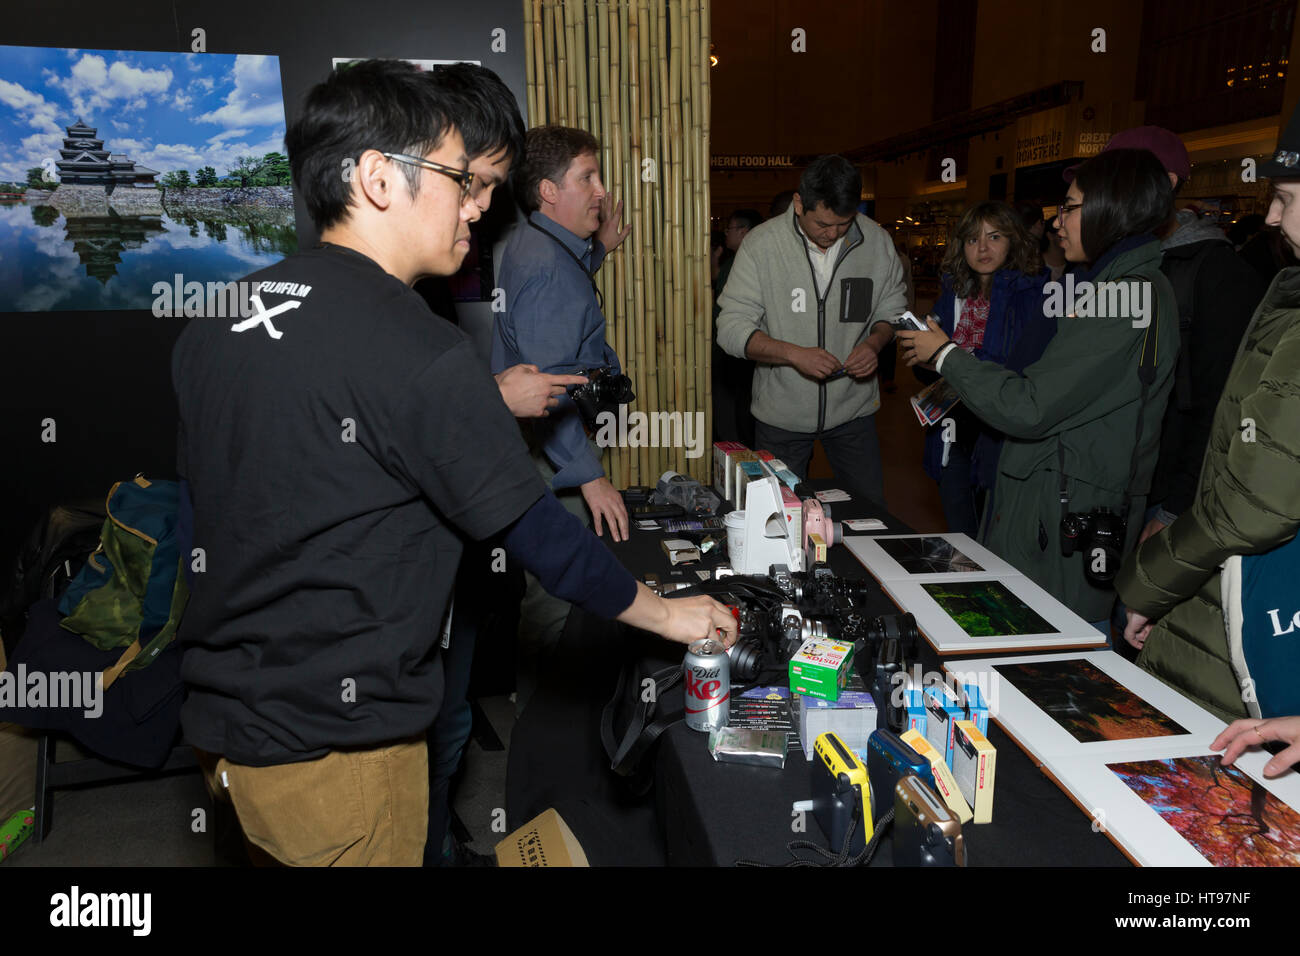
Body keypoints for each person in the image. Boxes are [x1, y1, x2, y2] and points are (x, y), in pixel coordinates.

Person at [172, 60, 736, 867]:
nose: (478, 202)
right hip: (341, 750)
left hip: (226, 728)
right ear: (376, 179)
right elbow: (537, 530)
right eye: (455, 177)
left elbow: (206, 524)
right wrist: (669, 614)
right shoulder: (419, 350)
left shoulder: (215, 319)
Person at [897, 148, 1179, 629]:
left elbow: (1029, 405)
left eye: (1069, 208)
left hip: (1065, 515)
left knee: (1048, 642)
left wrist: (946, 355)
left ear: (1110, 210)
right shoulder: (1110, 286)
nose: (1056, 222)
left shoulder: (1122, 298)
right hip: (1054, 503)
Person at [1116, 107, 1300, 723]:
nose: (1271, 216)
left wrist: (1151, 580)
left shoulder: (1219, 277)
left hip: (1258, 603)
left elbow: (1258, 494)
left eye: (1286, 197)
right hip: (1229, 584)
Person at [492, 125, 636, 711]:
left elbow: (559, 302)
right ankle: (550, 743)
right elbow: (551, 389)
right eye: (588, 178)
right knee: (558, 597)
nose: (601, 191)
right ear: (549, 191)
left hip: (543, 451)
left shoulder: (541, 245)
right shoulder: (549, 269)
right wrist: (589, 474)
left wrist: (599, 250)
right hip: (551, 457)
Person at [716, 155, 907, 506]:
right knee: (775, 518)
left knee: (869, 516)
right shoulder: (762, 244)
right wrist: (794, 354)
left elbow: (892, 310)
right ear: (799, 203)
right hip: (781, 414)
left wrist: (874, 343)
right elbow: (730, 328)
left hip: (854, 412)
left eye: (843, 224)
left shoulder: (876, 241)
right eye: (822, 224)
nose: (832, 234)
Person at [917, 201, 1047, 537]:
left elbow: (1030, 370)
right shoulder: (954, 292)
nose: (983, 248)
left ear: (1013, 241)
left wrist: (957, 357)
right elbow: (931, 366)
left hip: (1002, 434)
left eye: (994, 237)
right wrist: (921, 357)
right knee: (961, 537)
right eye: (973, 240)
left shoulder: (1033, 295)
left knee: (998, 539)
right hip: (954, 428)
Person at [713, 208, 762, 447]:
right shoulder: (739, 262)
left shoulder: (741, 264)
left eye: (729, 228)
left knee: (739, 420)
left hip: (739, 356)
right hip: (746, 355)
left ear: (744, 232)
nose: (726, 233)